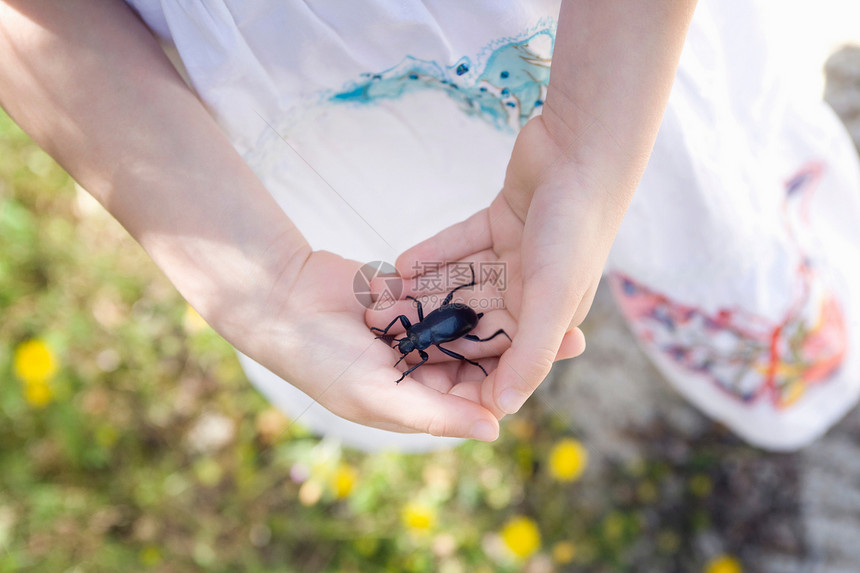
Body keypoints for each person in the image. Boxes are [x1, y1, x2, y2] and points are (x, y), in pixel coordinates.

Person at [1, 0, 858, 453]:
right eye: (414, 350)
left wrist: (587, 149)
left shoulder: (420, 329)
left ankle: (762, 321)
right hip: (311, 115)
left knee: (691, 192)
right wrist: (259, 280)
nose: (415, 344)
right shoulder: (415, 325)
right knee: (516, 272)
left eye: (412, 349)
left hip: (604, 53)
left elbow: (432, 329)